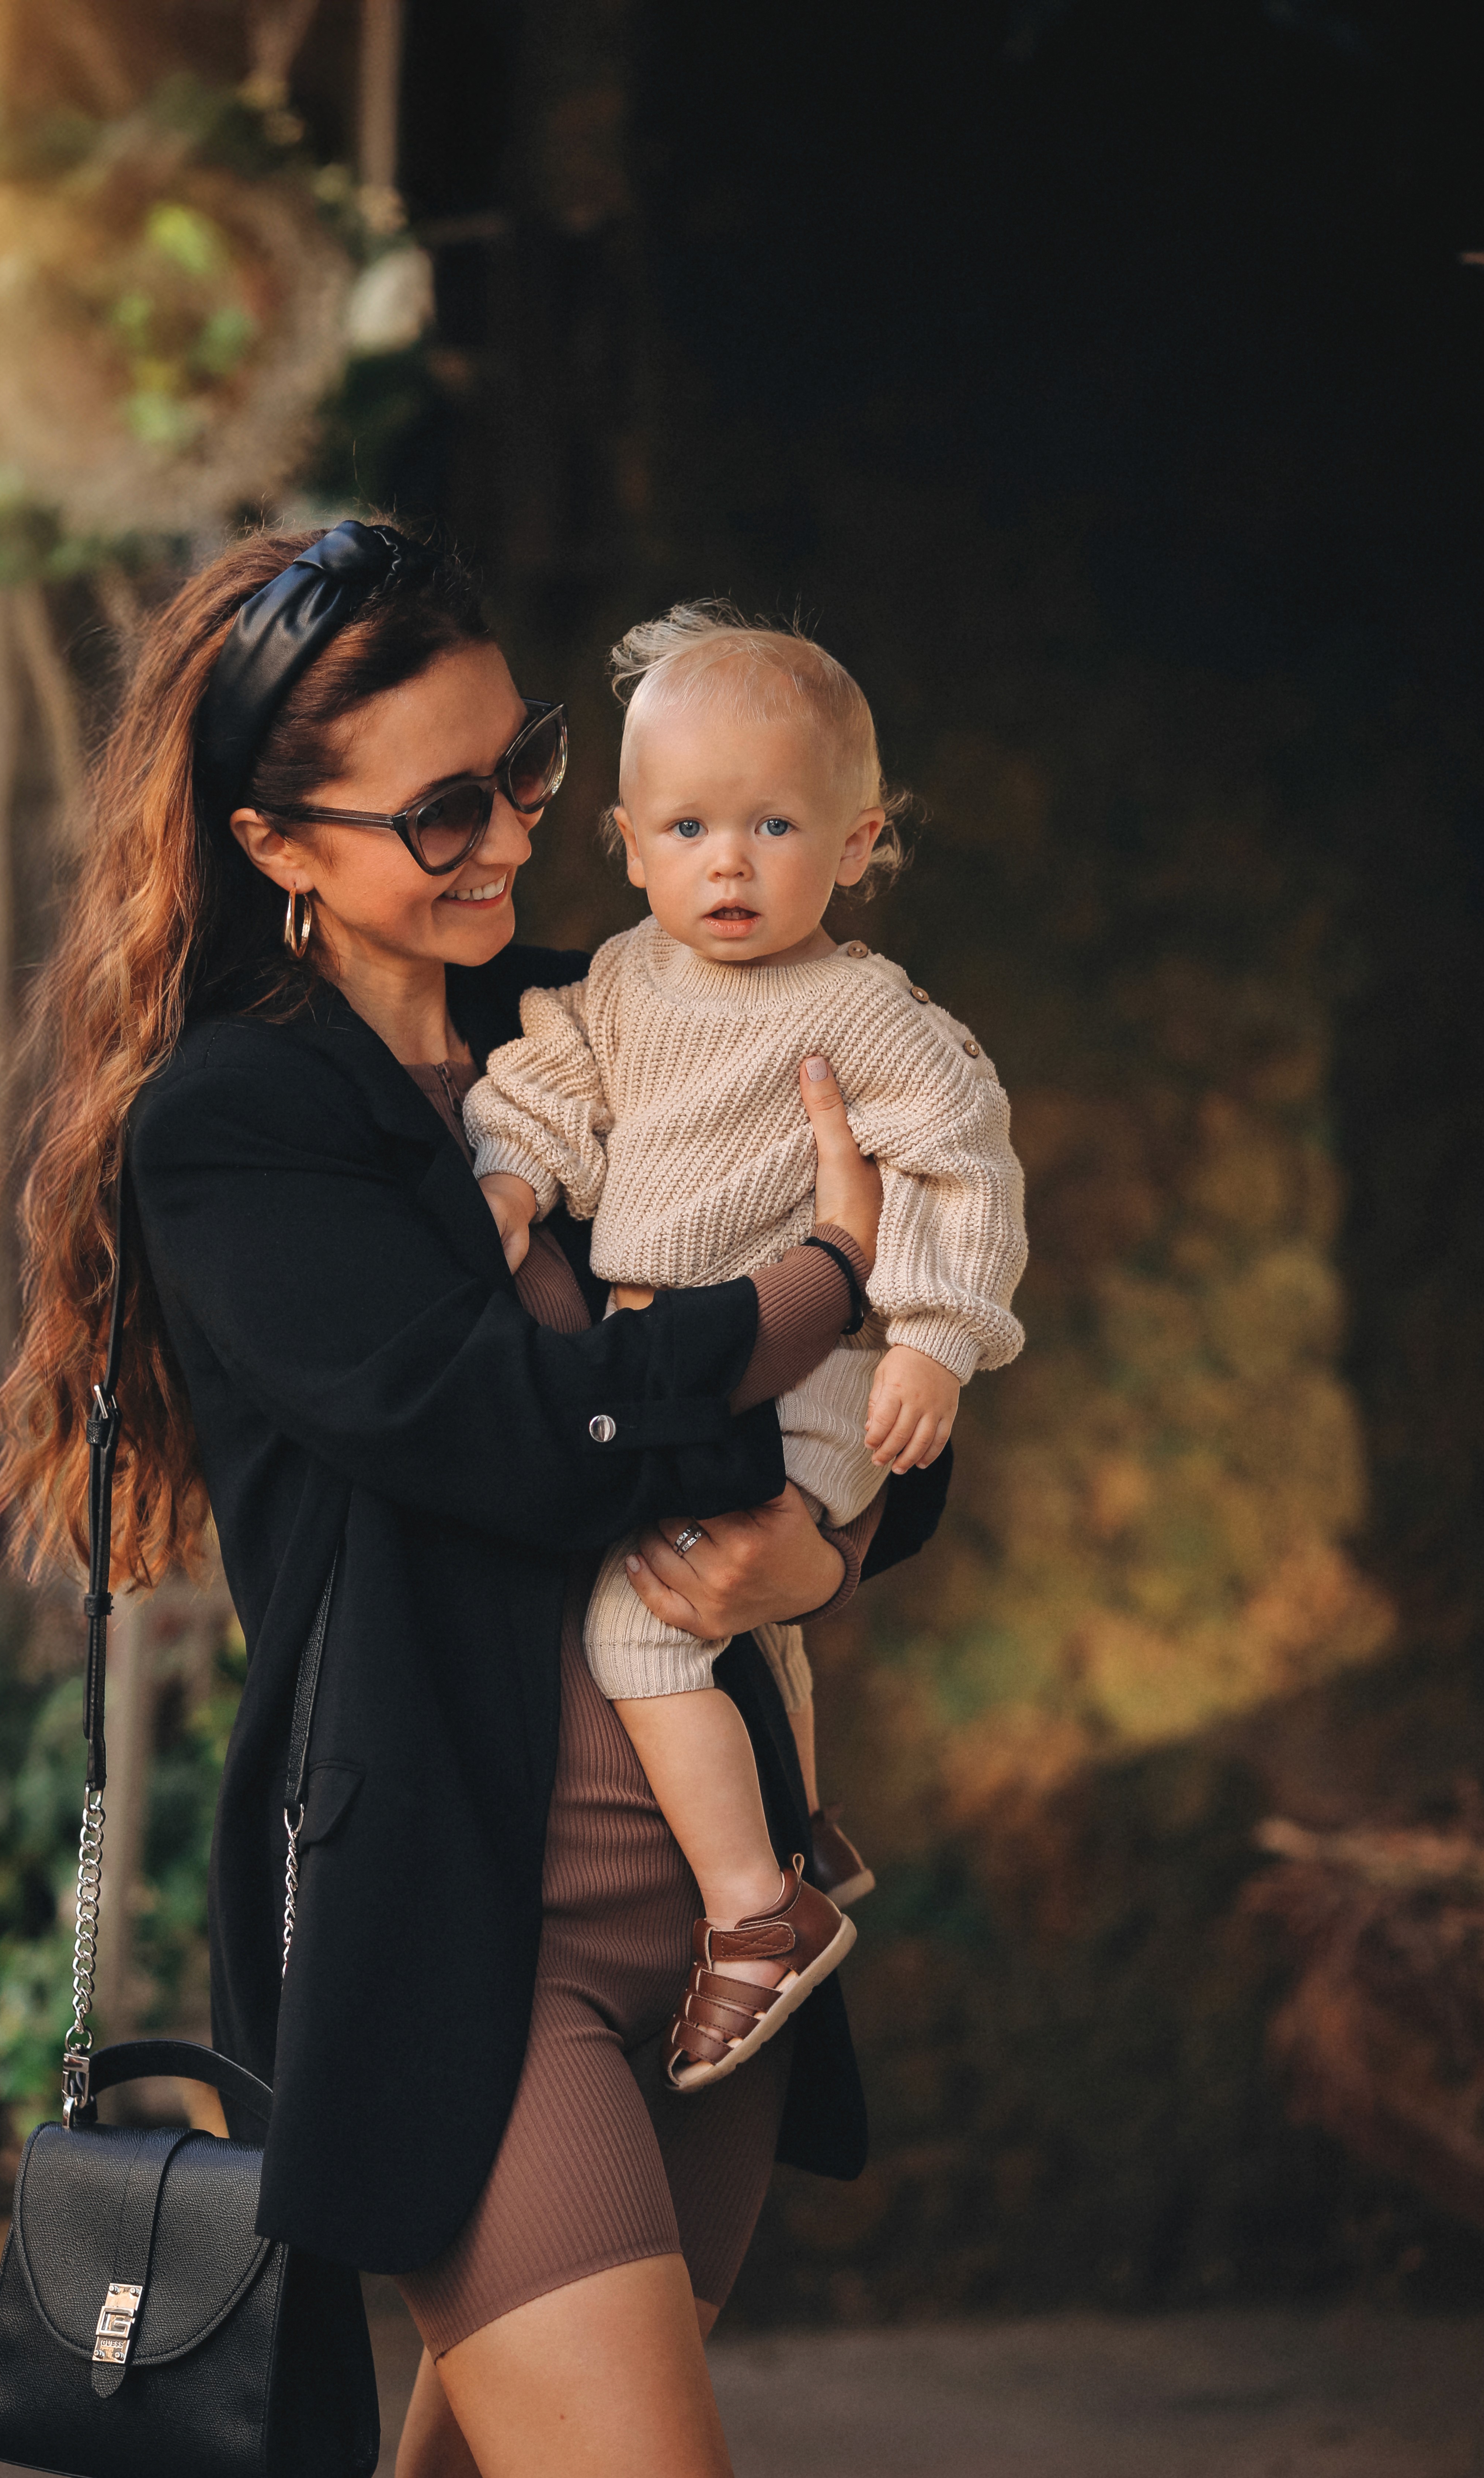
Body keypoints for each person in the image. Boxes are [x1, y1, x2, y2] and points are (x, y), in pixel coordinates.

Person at [0, 520, 947, 2478]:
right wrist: (806, 1290)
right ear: (275, 844)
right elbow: (492, 1423)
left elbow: (901, 1388)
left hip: (712, 1947)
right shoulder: (238, 1127)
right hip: (455, 1940)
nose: (510, 835)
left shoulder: (620, 1017)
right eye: (440, 812)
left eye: (529, 768)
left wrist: (816, 1541)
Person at [465, 604, 1027, 2092]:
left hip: (810, 1379)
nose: (730, 861)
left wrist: (935, 1340)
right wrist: (516, 1181)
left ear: (858, 843)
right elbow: (549, 1082)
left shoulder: (866, 1015)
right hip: (684, 1367)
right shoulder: (625, 981)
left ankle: (752, 1913)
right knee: (741, 1610)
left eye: (775, 824)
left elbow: (957, 1169)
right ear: (629, 845)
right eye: (691, 826)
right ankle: (793, 1822)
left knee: (640, 1625)